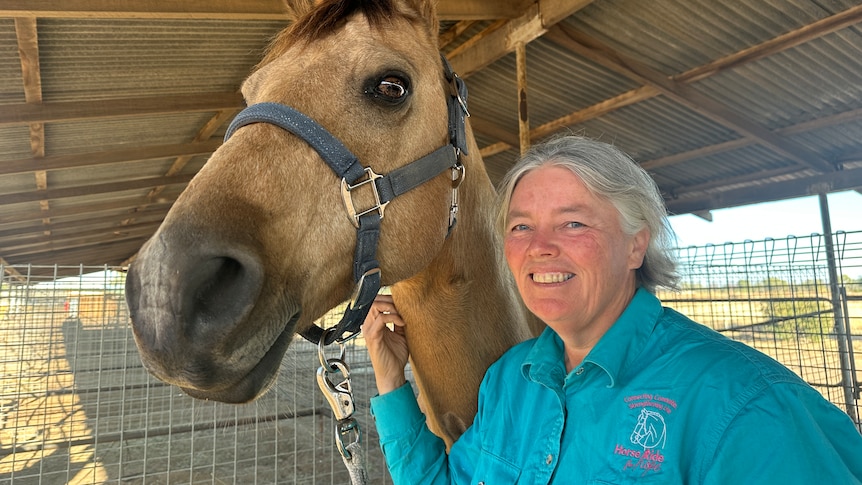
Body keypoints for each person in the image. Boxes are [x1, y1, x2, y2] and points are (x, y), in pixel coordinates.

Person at [362, 135, 862, 484]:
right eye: (520, 227)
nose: (540, 247)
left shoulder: (745, 403)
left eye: (573, 224)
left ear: (635, 247)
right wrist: (391, 383)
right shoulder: (510, 380)